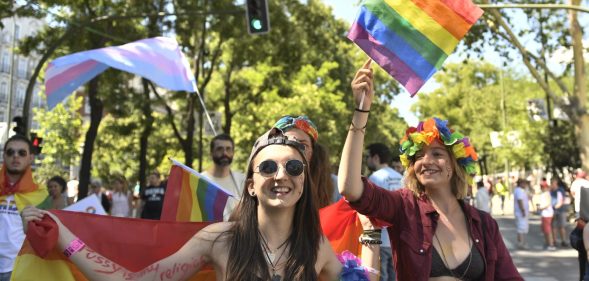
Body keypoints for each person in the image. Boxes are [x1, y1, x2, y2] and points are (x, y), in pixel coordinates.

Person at [22, 130, 380, 280]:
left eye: (293, 167)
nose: (281, 175)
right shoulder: (220, 240)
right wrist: (63, 237)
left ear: (303, 181)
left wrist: (370, 240)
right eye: (268, 166)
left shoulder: (315, 245)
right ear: (251, 184)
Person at [338, 60, 522, 281]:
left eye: (437, 153)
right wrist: (361, 111)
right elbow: (350, 188)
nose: (426, 161)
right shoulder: (403, 208)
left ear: (455, 164)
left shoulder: (484, 225)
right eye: (418, 156)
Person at [0, 135, 49, 281]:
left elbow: (48, 236)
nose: (15, 156)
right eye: (10, 152)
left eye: (22, 153)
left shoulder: (41, 195)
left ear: (31, 158)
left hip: (21, 268)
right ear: (4, 156)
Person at [272, 115, 336, 208]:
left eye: (303, 145)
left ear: (313, 151)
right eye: (286, 143)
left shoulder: (335, 186)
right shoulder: (265, 179)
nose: (295, 150)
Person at [365, 142, 402, 281]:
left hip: (379, 239)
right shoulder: (400, 177)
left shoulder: (375, 178)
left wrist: (369, 241)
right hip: (397, 239)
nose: (367, 160)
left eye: (367, 157)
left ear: (375, 158)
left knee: (379, 277)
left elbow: (369, 212)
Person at [201, 134, 245, 220]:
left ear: (233, 153)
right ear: (211, 153)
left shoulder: (242, 180)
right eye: (219, 149)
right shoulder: (201, 180)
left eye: (228, 149)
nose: (224, 153)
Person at [550, 177, 568, 247]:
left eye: (553, 182)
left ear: (556, 183)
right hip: (553, 210)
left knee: (561, 226)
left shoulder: (560, 190)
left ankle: (563, 240)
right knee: (553, 226)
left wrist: (555, 207)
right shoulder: (551, 191)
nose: (552, 184)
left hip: (560, 210)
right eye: (551, 182)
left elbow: (561, 200)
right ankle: (554, 241)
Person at [539, 181, 557, 250]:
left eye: (543, 187)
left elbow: (548, 203)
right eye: (541, 186)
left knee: (548, 230)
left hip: (547, 214)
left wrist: (541, 207)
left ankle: (551, 244)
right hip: (545, 214)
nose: (542, 188)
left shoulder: (546, 194)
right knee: (545, 230)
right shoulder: (545, 194)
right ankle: (548, 243)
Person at [513, 178, 530, 250]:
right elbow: (520, 201)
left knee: (522, 228)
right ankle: (521, 243)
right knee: (521, 228)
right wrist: (523, 210)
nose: (526, 185)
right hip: (521, 213)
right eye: (524, 183)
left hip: (520, 212)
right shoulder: (519, 191)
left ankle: (521, 243)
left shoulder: (519, 190)